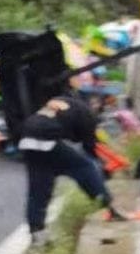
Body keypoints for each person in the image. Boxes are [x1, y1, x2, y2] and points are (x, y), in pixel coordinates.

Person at [17, 88, 121, 243]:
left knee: (39, 188)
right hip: (48, 138)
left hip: (27, 137)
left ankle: (37, 231)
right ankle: (108, 205)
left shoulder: (59, 100)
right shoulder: (87, 114)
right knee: (84, 167)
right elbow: (89, 147)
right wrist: (104, 170)